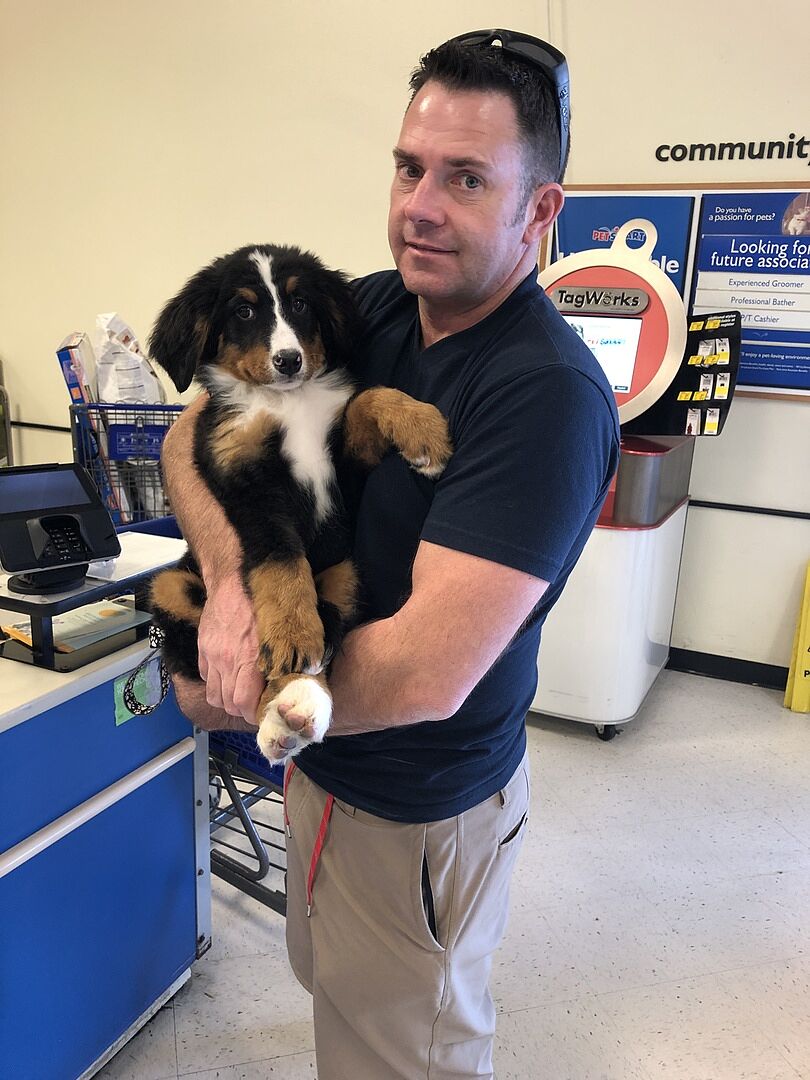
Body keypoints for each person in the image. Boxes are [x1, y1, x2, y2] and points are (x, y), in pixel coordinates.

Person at [161, 28, 620, 1080]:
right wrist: (232, 590)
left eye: (467, 178)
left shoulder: (542, 397)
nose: (421, 204)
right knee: (336, 993)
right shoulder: (369, 307)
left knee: (402, 1051)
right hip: (322, 760)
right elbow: (194, 434)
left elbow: (421, 676)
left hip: (415, 807)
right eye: (410, 167)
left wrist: (230, 696)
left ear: (540, 209)